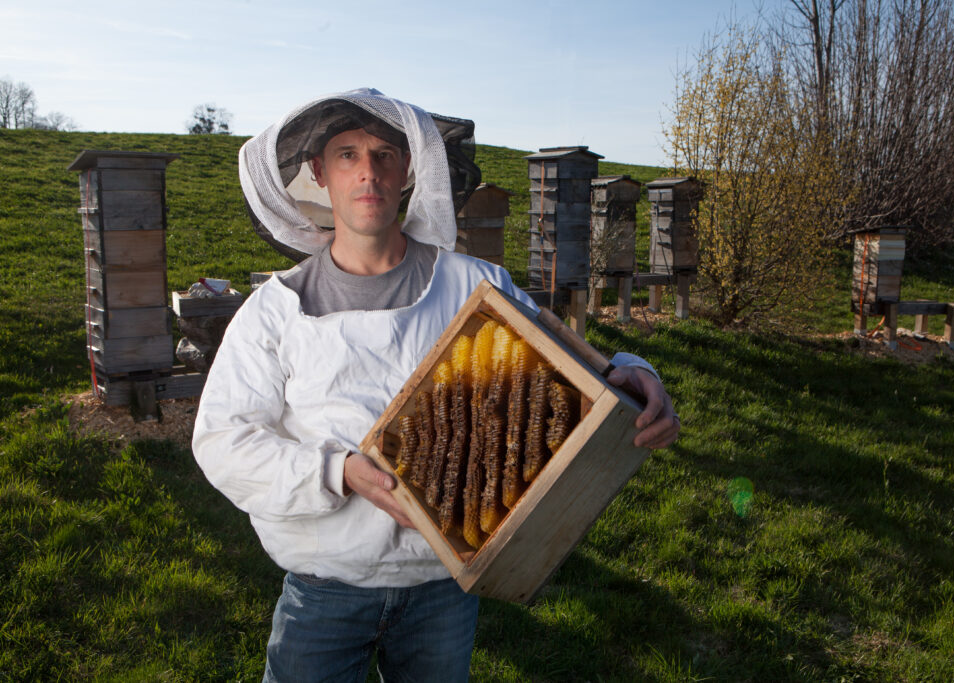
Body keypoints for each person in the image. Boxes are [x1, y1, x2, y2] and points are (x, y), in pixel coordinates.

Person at [192, 88, 680, 682]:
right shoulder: (274, 310)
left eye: (384, 154)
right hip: (325, 586)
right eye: (347, 155)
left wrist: (633, 374)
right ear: (318, 173)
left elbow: (565, 368)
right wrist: (337, 471)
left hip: (441, 588)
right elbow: (221, 441)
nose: (368, 172)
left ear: (409, 169)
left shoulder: (475, 285)